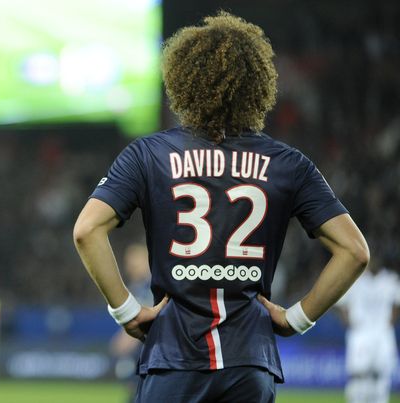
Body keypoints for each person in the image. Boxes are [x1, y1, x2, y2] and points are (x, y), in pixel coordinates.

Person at [73, 12, 370, 403]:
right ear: (256, 85)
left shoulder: (148, 154)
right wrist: (295, 318)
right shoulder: (289, 163)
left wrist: (126, 311)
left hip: (172, 360)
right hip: (251, 363)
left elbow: (86, 230)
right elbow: (355, 251)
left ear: (182, 80)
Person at [336, 259, 400, 403]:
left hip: (382, 333)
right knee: (358, 374)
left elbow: (397, 301)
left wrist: (390, 321)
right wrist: (348, 321)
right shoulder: (355, 280)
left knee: (381, 374)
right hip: (360, 332)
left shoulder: (390, 280)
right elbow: (340, 302)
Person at [110, 244, 153, 402]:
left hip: (149, 350)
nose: (130, 267)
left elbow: (142, 318)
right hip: (142, 352)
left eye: (135, 263)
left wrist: (125, 340)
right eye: (129, 263)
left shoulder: (151, 285)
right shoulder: (137, 286)